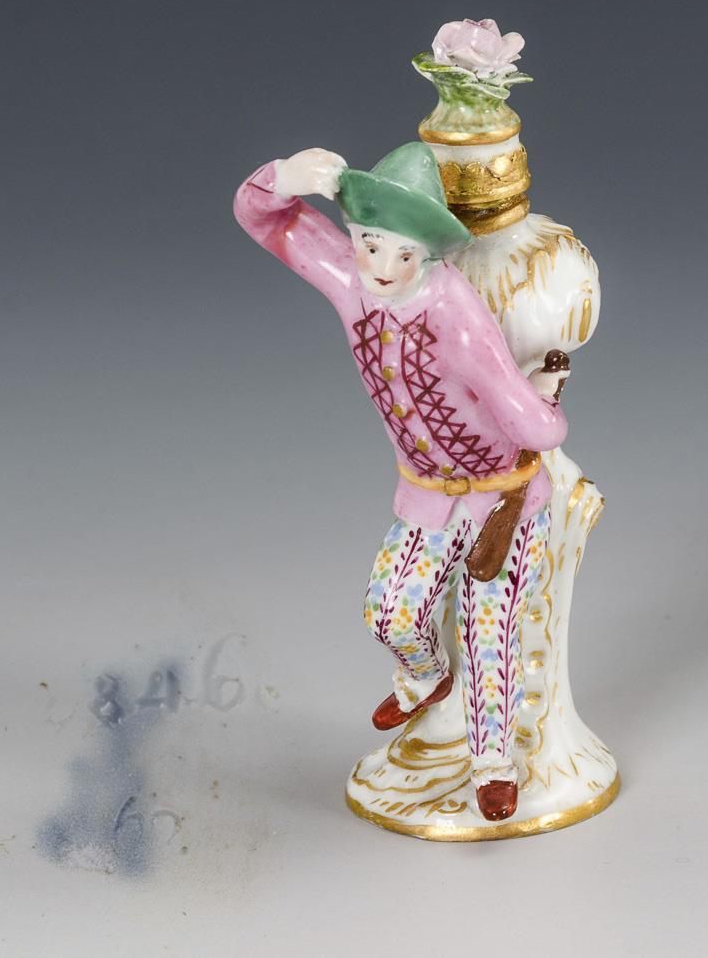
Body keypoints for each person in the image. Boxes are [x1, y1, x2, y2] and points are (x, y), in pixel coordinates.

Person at [233, 142, 568, 820]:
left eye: (403, 254)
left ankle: (492, 765)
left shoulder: (457, 316)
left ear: (431, 256)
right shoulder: (349, 278)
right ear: (355, 236)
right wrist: (283, 179)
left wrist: (543, 404)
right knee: (389, 610)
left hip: (499, 497)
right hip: (425, 492)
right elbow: (265, 220)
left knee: (488, 632)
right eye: (370, 245)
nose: (382, 268)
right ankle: (424, 675)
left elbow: (534, 428)